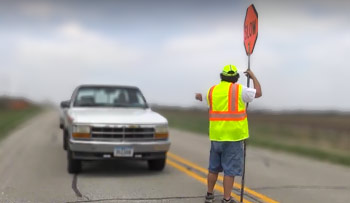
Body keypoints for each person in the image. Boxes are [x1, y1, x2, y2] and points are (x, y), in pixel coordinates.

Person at [195, 64, 262, 203]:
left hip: (216, 136)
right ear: (236, 77)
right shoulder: (239, 90)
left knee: (213, 169)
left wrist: (198, 96)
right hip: (234, 137)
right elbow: (258, 93)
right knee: (229, 171)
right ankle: (226, 199)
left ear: (222, 76)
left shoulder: (212, 91)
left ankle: (209, 195)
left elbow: (204, 98)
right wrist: (253, 76)